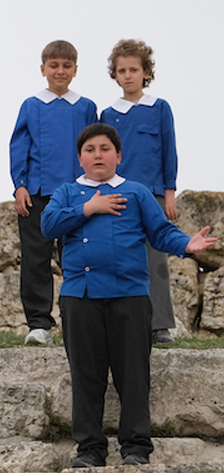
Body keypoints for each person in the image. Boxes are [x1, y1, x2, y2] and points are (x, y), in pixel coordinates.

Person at [42, 123, 215, 468]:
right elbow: (49, 225)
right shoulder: (66, 193)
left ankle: (136, 446)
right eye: (90, 150)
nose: (98, 155)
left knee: (133, 374)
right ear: (80, 158)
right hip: (81, 296)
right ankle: (89, 449)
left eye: (105, 148)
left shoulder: (135, 193)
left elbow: (162, 232)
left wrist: (187, 245)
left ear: (118, 155)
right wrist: (89, 208)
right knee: (86, 375)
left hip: (130, 296)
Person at [8, 40, 97, 345]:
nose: (60, 71)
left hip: (77, 196)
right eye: (54, 65)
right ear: (43, 69)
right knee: (36, 258)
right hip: (38, 195)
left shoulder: (86, 107)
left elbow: (93, 149)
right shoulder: (31, 105)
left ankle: (79, 319)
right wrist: (19, 185)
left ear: (75, 70)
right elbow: (19, 148)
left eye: (66, 65)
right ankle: (38, 324)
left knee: (77, 257)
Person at [100, 39, 178, 345]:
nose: (128, 75)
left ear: (146, 72)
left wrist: (169, 193)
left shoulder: (159, 108)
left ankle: (160, 325)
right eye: (122, 70)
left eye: (134, 69)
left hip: (154, 196)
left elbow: (169, 152)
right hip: (119, 196)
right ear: (115, 75)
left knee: (155, 259)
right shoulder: (107, 114)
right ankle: (125, 325)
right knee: (120, 258)